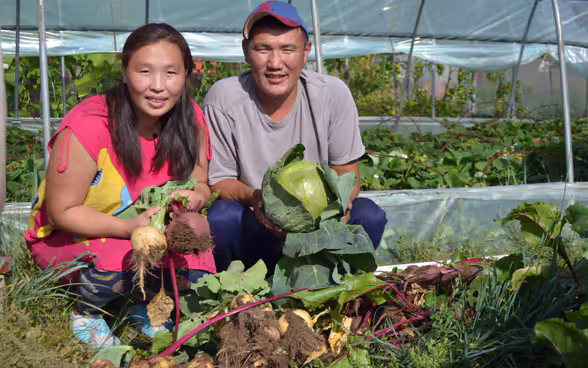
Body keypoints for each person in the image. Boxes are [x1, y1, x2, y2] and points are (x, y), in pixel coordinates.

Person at [25, 23, 215, 348]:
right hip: (71, 237)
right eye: (144, 71)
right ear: (125, 73)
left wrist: (192, 197)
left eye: (171, 73)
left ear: (186, 75)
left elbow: (202, 185)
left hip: (144, 232)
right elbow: (61, 212)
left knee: (197, 237)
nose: (158, 86)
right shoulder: (89, 125)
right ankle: (86, 313)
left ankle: (146, 307)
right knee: (120, 257)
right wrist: (128, 228)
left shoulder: (191, 117)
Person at [204, 1, 387, 273]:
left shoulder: (332, 94)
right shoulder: (225, 97)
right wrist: (258, 199)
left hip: (318, 228)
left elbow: (347, 172)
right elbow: (219, 182)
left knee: (369, 215)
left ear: (305, 52)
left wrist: (340, 210)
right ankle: (233, 293)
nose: (275, 63)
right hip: (256, 222)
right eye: (262, 48)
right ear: (246, 51)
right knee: (222, 218)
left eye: (288, 49)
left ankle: (340, 288)